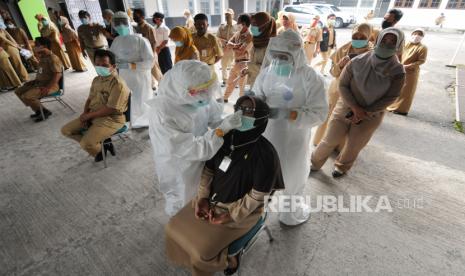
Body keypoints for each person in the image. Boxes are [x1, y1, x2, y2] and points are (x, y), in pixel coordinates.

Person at [165, 95, 284, 276]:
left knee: (203, 252)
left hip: (241, 212)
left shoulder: (266, 154)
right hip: (212, 201)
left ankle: (231, 258)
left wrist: (230, 215)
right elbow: (208, 171)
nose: (240, 113)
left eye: (248, 111)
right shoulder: (225, 139)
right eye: (238, 108)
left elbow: (257, 196)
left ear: (261, 118)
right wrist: (203, 198)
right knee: (173, 226)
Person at [147, 60, 242, 216]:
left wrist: (228, 123)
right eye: (201, 91)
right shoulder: (163, 113)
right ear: (183, 90)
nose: (207, 95)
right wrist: (220, 131)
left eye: (208, 89)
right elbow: (192, 148)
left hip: (203, 152)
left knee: (200, 195)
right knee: (181, 199)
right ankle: (178, 226)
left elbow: (214, 117)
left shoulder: (200, 94)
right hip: (179, 164)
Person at [253, 30, 327, 226]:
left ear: (296, 55)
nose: (278, 61)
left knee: (292, 174)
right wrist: (255, 104)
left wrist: (289, 114)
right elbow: (257, 95)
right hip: (266, 134)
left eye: (283, 57)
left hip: (295, 136)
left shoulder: (311, 78)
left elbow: (319, 112)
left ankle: (290, 214)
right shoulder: (267, 73)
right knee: (264, 172)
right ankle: (257, 211)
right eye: (275, 56)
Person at [311, 28, 406, 178]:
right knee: (329, 139)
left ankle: (341, 167)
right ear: (379, 39)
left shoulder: (397, 71)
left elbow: (392, 96)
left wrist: (366, 112)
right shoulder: (357, 61)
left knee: (354, 145)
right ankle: (314, 163)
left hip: (371, 115)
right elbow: (343, 85)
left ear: (399, 44)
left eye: (392, 41)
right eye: (385, 39)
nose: (388, 43)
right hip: (345, 108)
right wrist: (355, 108)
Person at [61, 49, 129, 162]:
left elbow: (110, 109)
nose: (100, 67)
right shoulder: (97, 80)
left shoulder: (118, 84)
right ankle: (102, 144)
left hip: (112, 119)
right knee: (66, 130)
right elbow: (89, 99)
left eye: (105, 65)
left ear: (113, 66)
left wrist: (88, 116)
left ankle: (100, 150)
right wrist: (85, 113)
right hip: (93, 115)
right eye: (97, 64)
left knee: (86, 144)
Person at [313, 23, 373, 148]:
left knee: (346, 120)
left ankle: (339, 146)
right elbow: (333, 73)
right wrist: (340, 65)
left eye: (362, 37)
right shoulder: (344, 49)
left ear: (368, 37)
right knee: (330, 115)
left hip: (355, 93)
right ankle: (322, 142)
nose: (358, 39)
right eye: (355, 36)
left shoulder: (372, 53)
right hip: (336, 90)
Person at [110, 11, 154, 129]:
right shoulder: (116, 41)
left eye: (122, 22)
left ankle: (145, 121)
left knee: (142, 99)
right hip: (124, 76)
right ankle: (132, 120)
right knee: (129, 99)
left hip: (140, 76)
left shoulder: (141, 41)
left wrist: (130, 65)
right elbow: (111, 57)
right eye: (117, 23)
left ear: (128, 22)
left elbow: (150, 62)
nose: (120, 26)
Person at [14, 37, 63, 122]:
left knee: (28, 96)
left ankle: (44, 112)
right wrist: (34, 81)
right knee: (19, 91)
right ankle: (38, 110)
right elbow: (41, 72)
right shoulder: (43, 57)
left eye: (37, 45)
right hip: (39, 83)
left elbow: (58, 74)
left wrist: (48, 88)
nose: (35, 46)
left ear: (44, 46)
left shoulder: (52, 58)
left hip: (50, 86)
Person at [387, 29, 428, 115]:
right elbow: (398, 54)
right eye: (415, 33)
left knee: (407, 91)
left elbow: (421, 61)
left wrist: (409, 66)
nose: (416, 36)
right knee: (397, 88)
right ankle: (392, 106)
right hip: (400, 69)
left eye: (419, 35)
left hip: (411, 72)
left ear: (422, 37)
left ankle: (402, 110)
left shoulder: (422, 47)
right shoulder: (405, 44)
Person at [223, 13, 253, 103]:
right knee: (230, 82)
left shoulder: (249, 35)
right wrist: (236, 45)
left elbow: (242, 49)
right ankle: (224, 98)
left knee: (242, 86)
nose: (237, 24)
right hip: (235, 62)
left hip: (244, 63)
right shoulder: (237, 34)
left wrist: (233, 46)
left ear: (243, 23)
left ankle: (242, 103)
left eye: (238, 22)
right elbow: (228, 44)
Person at [133, 8, 163, 88]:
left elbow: (154, 42)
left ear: (142, 17)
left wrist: (153, 54)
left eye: (136, 15)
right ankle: (152, 85)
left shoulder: (148, 28)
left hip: (150, 53)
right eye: (134, 15)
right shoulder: (136, 27)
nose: (134, 17)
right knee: (146, 70)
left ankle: (164, 85)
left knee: (155, 70)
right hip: (140, 53)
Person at [248, 12, 276, 88]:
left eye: (255, 24)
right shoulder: (257, 41)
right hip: (255, 83)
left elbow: (268, 69)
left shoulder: (272, 45)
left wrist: (247, 66)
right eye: (251, 24)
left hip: (265, 86)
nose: (252, 27)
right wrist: (247, 70)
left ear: (264, 26)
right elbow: (255, 63)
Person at [217, 8, 238, 86]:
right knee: (224, 65)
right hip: (224, 49)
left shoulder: (237, 26)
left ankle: (235, 81)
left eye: (229, 15)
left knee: (235, 66)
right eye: (226, 15)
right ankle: (225, 81)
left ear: (233, 15)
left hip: (234, 49)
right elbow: (217, 37)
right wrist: (225, 42)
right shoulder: (222, 26)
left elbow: (240, 37)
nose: (227, 16)